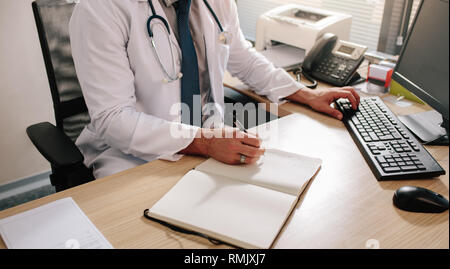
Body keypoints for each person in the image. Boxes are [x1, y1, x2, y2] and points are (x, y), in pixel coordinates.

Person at [69, 0, 360, 179]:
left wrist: (307, 94)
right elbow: (112, 118)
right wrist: (205, 141)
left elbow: (243, 59)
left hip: (209, 142)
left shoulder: (216, 3)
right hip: (132, 156)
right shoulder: (101, 8)